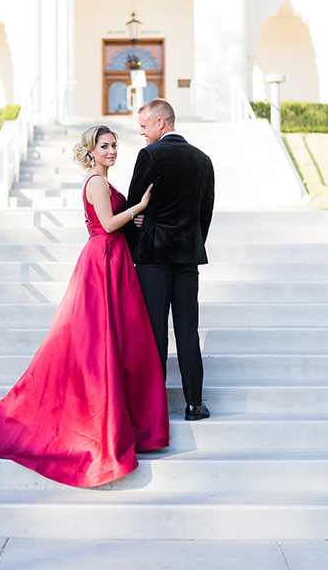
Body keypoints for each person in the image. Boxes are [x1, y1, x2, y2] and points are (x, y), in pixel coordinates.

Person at [0, 125, 169, 488]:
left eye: (114, 145)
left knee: (121, 341)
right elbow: (107, 223)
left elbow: (112, 222)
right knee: (100, 343)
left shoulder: (101, 181)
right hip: (103, 260)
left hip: (112, 258)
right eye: (104, 146)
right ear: (91, 151)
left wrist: (133, 217)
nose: (112, 151)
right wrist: (140, 207)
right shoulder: (97, 182)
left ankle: (132, 424)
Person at [126, 99, 215, 421]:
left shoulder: (150, 155)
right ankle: (194, 404)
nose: (142, 133)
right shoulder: (203, 160)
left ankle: (154, 406)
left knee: (154, 332)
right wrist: (191, 243)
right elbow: (205, 214)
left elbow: (135, 203)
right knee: (188, 330)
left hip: (153, 257)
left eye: (145, 126)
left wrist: (139, 237)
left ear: (161, 123)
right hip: (187, 256)